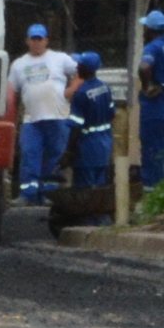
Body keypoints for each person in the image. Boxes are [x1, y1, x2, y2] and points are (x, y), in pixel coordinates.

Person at [7, 22, 75, 204]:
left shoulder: (60, 59)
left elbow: (83, 72)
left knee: (55, 155)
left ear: (46, 41)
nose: (36, 43)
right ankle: (27, 194)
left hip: (58, 117)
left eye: (40, 39)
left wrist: (72, 90)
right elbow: (11, 92)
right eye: (33, 39)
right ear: (27, 41)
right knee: (30, 154)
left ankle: (49, 194)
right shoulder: (19, 64)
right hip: (31, 119)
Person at [60, 51, 117, 231]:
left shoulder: (82, 93)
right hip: (105, 143)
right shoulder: (105, 87)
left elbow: (76, 126)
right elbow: (112, 113)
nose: (77, 67)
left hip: (88, 145)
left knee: (84, 187)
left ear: (84, 68)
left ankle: (87, 222)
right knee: (100, 185)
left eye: (79, 65)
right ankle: (101, 220)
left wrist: (69, 151)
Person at [134, 8, 164, 193]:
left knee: (152, 153)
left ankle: (152, 194)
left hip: (155, 108)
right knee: (163, 150)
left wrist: (146, 86)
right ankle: (162, 191)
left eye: (145, 28)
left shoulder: (153, 46)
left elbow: (144, 67)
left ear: (150, 30)